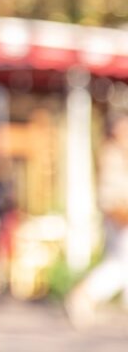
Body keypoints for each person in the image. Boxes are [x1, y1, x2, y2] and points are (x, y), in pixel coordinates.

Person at [66, 112, 128, 327]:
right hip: (119, 215)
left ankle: (83, 296)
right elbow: (113, 194)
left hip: (118, 214)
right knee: (120, 266)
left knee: (121, 265)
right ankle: (82, 295)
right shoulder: (112, 154)